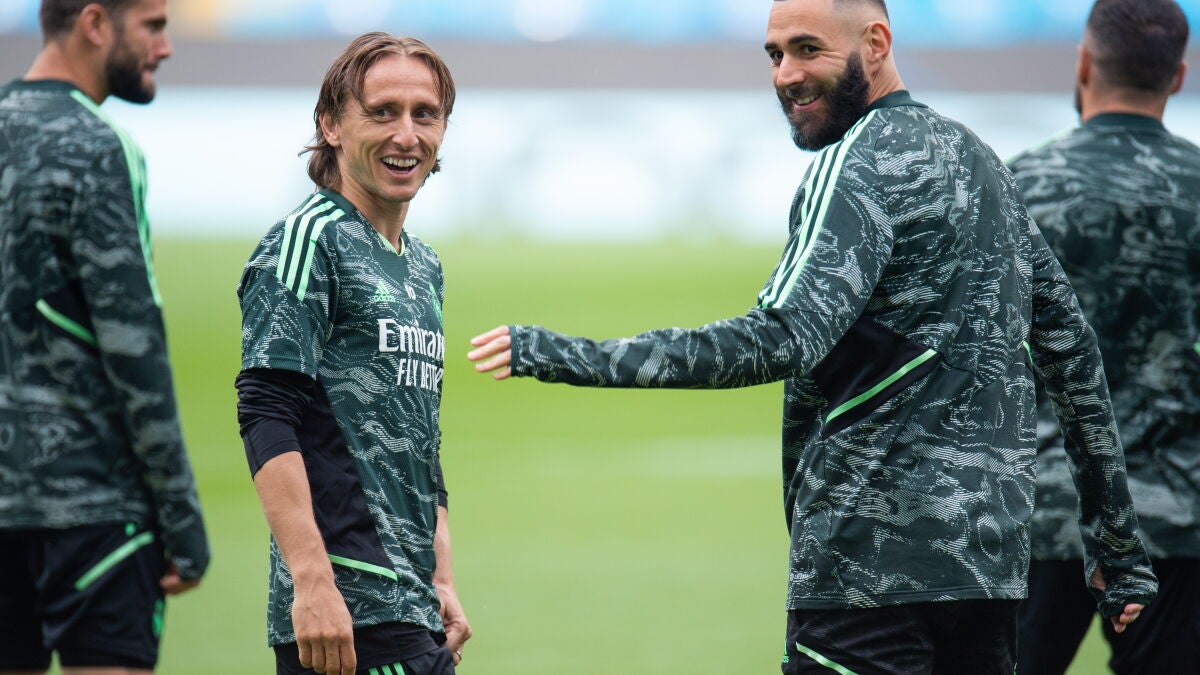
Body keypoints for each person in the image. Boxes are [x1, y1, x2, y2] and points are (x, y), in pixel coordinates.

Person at [468, 0, 1158, 672]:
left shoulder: (856, 162)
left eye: (808, 49)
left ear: (876, 45)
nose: (786, 74)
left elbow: (778, 338)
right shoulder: (982, 162)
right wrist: (1119, 544)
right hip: (989, 571)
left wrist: (562, 355)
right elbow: (1072, 351)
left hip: (868, 567)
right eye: (774, 54)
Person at [236, 32, 471, 675]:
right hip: (347, 610)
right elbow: (265, 411)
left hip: (412, 607)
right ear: (331, 125)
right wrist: (311, 581)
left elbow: (417, 433)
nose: (406, 135)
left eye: (425, 114)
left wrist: (440, 576)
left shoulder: (423, 265)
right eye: (383, 112)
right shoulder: (308, 241)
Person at [0, 1, 210, 673]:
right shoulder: (99, 146)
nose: (165, 46)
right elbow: (133, 346)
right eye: (153, 25)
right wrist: (181, 519)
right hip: (93, 511)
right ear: (95, 23)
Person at [1007, 1, 1199, 673]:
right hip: (1174, 514)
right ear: (1178, 76)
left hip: (1039, 508)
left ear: (1084, 63)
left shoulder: (1018, 187)